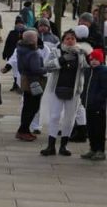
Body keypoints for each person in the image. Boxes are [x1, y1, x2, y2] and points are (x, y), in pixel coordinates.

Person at [39, 28, 92, 156]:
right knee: (55, 116)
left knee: (69, 118)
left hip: (74, 91)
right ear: (63, 40)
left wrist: (87, 57)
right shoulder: (56, 51)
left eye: (72, 38)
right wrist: (61, 60)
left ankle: (64, 146)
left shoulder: (80, 53)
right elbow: (47, 66)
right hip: (57, 88)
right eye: (67, 38)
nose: (70, 41)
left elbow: (87, 67)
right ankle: (51, 146)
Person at [15, 30, 46, 142]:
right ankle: (23, 131)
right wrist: (47, 68)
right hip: (34, 82)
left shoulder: (20, 50)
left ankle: (24, 130)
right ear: (33, 39)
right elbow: (36, 69)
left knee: (27, 106)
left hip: (25, 80)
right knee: (33, 107)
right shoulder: (33, 52)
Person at [81, 48, 107, 160]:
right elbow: (85, 86)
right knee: (90, 128)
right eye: (92, 59)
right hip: (88, 105)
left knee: (99, 129)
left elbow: (104, 88)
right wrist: (83, 99)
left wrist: (99, 100)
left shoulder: (103, 71)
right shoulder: (88, 71)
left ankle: (100, 150)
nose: (94, 61)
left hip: (98, 106)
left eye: (97, 59)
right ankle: (93, 148)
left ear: (101, 60)